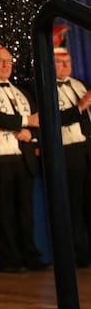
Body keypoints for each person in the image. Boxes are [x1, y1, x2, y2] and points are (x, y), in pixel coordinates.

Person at [0, 28, 46, 272]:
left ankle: (30, 254)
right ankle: (8, 259)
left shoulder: (22, 92)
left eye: (9, 61)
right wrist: (24, 122)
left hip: (23, 158)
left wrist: (31, 135)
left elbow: (38, 120)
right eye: (0, 61)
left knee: (25, 211)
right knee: (2, 211)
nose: (6, 66)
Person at [51, 25, 91, 267]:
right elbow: (55, 118)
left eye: (68, 62)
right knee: (74, 203)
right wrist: (80, 107)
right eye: (60, 62)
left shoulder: (79, 84)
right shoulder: (46, 89)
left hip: (87, 146)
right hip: (68, 149)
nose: (65, 66)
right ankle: (78, 252)